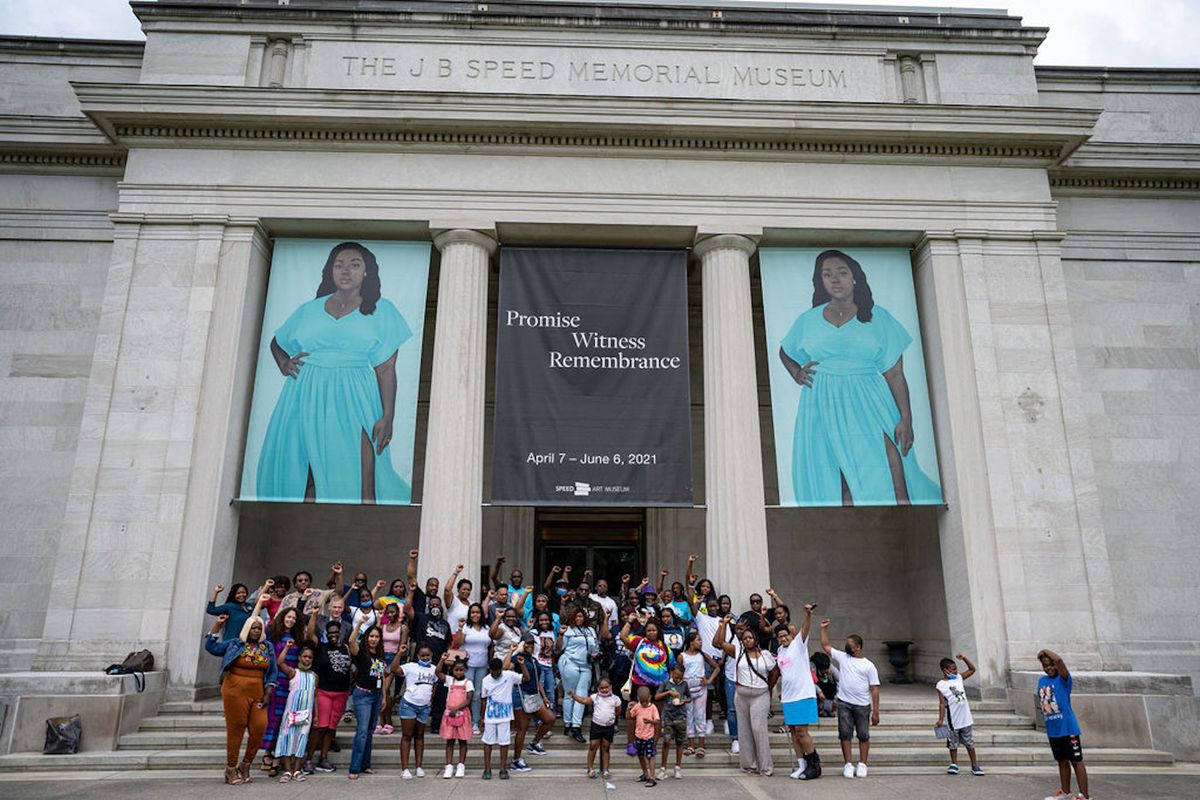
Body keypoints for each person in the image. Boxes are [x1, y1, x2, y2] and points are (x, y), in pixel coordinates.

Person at [778, 248, 941, 506]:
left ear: (855, 277)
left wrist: (906, 419)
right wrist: (797, 372)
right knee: (840, 479)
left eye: (842, 273)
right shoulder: (807, 320)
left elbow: (895, 373)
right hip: (823, 403)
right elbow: (784, 351)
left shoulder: (879, 317)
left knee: (894, 471)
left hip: (870, 399)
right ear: (820, 281)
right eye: (827, 274)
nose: (835, 279)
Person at [255, 241, 414, 504]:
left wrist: (388, 415)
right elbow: (277, 342)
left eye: (354, 265)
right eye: (338, 265)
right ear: (330, 271)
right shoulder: (309, 309)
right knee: (307, 472)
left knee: (365, 474)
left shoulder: (382, 310)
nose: (345, 271)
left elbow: (386, 369)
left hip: (356, 394)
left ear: (366, 271)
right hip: (305, 394)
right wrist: (285, 364)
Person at [203, 591, 277, 785]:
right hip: (234, 689)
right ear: (246, 629)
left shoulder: (267, 647)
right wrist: (217, 625)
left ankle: (246, 764)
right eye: (252, 628)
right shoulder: (236, 644)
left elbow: (273, 672)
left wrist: (269, 691)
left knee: (260, 728)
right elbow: (212, 647)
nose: (255, 631)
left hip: (258, 692)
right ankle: (230, 769)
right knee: (235, 729)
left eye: (258, 628)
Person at [768, 590, 821, 780]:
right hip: (789, 696)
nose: (783, 639)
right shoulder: (781, 652)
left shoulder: (798, 645)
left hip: (803, 695)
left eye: (786, 636)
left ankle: (814, 765)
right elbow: (783, 674)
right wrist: (781, 691)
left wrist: (808, 614)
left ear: (791, 635)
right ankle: (801, 765)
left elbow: (805, 629)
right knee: (792, 732)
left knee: (801, 731)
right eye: (780, 637)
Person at [716, 614, 778, 776]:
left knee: (759, 729)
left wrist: (768, 689)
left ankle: (765, 767)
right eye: (745, 638)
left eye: (750, 637)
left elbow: (774, 673)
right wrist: (723, 625)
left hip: (760, 694)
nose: (747, 640)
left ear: (756, 639)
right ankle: (748, 765)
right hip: (741, 694)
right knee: (744, 731)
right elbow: (721, 643)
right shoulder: (738, 652)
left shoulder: (766, 655)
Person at [820, 618, 880, 779]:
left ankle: (862, 764)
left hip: (862, 705)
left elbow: (874, 689)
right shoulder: (843, 657)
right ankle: (848, 764)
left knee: (863, 735)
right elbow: (826, 646)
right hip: (844, 703)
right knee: (845, 734)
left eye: (850, 644)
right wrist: (824, 629)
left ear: (858, 647)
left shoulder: (869, 665)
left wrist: (876, 711)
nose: (847, 646)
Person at [1037, 648, 1089, 800]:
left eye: (1051, 665)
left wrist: (1045, 651)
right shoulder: (1042, 681)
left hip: (1068, 728)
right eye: (1045, 666)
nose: (1049, 668)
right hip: (1054, 730)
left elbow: (1059, 661)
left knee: (1076, 761)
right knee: (1062, 761)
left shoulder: (1063, 679)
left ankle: (1084, 796)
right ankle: (1065, 793)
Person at [304, 613, 352, 774]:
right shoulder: (321, 648)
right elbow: (310, 633)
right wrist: (314, 614)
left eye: (335, 632)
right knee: (320, 727)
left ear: (340, 633)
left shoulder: (345, 648)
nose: (333, 635)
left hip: (342, 693)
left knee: (331, 728)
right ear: (326, 633)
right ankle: (308, 760)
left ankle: (323, 759)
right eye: (330, 633)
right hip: (324, 692)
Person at [262, 606, 306, 774]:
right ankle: (268, 752)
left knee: (285, 720)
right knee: (273, 718)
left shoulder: (297, 637)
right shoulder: (273, 634)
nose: (291, 620)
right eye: (289, 617)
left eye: (294, 618)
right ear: (282, 617)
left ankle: (278, 756)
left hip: (291, 682)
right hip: (275, 680)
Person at [621, 612, 672, 755]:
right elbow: (623, 637)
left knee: (656, 717)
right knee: (631, 713)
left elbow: (671, 666)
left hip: (659, 686)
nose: (651, 633)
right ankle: (630, 744)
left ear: (658, 631)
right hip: (639, 683)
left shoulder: (665, 647)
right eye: (648, 630)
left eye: (654, 630)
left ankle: (653, 746)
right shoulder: (639, 642)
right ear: (645, 631)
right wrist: (630, 621)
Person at [343, 618, 385, 778]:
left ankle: (365, 765)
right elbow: (351, 640)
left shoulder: (380, 655)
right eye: (371, 636)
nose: (373, 639)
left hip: (377, 694)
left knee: (369, 731)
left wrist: (384, 697)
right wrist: (360, 624)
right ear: (367, 637)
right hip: (362, 695)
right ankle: (354, 768)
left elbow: (380, 677)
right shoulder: (360, 652)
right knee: (361, 731)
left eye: (376, 637)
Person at [272, 640, 317, 783]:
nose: (307, 659)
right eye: (304, 656)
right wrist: (286, 648)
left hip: (306, 714)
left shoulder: (314, 676)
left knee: (301, 740)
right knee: (287, 739)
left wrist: (315, 715)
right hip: (291, 713)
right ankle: (287, 770)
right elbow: (280, 662)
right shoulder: (293, 672)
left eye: (310, 657)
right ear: (299, 657)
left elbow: (314, 696)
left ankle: (297, 769)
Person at [480, 643, 523, 780]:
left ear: (501, 669)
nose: (496, 673)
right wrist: (482, 718)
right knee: (488, 742)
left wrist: (521, 664)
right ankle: (487, 769)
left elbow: (525, 678)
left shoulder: (509, 675)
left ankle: (503, 769)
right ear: (490, 670)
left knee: (504, 743)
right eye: (493, 671)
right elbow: (484, 699)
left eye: (498, 671)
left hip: (505, 717)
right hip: (490, 716)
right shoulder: (485, 680)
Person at [396, 642, 439, 779]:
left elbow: (435, 684)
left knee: (420, 736)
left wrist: (431, 699)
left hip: (424, 707)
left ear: (431, 655)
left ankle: (419, 766)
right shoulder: (410, 667)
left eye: (428, 655)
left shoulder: (434, 669)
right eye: (422, 655)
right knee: (407, 736)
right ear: (418, 656)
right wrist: (399, 653)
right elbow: (394, 669)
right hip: (409, 704)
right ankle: (405, 769)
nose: (425, 658)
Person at [512, 632, 555, 770]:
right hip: (522, 694)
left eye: (531, 643)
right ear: (522, 644)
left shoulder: (534, 659)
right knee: (522, 729)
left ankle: (534, 743)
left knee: (550, 718)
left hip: (534, 695)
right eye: (527, 643)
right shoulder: (516, 658)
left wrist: (544, 696)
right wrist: (511, 652)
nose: (530, 646)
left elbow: (537, 681)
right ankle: (516, 760)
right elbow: (506, 669)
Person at [936, 653, 983, 776]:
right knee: (953, 743)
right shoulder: (941, 685)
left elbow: (972, 669)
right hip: (953, 720)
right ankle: (954, 763)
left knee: (969, 742)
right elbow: (942, 703)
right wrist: (940, 719)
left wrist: (965, 658)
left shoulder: (959, 678)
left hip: (965, 718)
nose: (956, 671)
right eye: (953, 669)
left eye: (956, 668)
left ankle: (974, 764)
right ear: (945, 670)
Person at [558, 607, 599, 743]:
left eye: (581, 616)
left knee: (581, 696)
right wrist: (560, 634)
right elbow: (559, 648)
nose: (578, 619)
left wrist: (595, 654)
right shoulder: (568, 630)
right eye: (576, 616)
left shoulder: (591, 631)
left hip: (586, 665)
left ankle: (576, 726)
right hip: (570, 663)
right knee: (570, 694)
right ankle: (567, 723)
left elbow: (595, 647)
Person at [454, 603, 491, 734]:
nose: (475, 615)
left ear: (481, 614)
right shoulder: (466, 627)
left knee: (477, 694)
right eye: (473, 612)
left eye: (478, 612)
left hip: (482, 665)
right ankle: (461, 721)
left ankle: (475, 722)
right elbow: (458, 643)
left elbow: (490, 645)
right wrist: (460, 628)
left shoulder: (486, 628)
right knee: (465, 693)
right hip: (468, 665)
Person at [680, 630, 716, 758]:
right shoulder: (682, 656)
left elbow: (716, 667)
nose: (700, 642)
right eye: (698, 640)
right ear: (691, 642)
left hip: (701, 688)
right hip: (687, 689)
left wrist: (709, 680)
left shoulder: (703, 655)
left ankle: (701, 746)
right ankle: (691, 745)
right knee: (689, 716)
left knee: (700, 715)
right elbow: (677, 672)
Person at [438, 652, 473, 779]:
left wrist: (457, 708)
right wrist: (442, 660)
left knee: (463, 741)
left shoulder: (468, 683)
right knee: (450, 741)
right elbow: (438, 673)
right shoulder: (449, 680)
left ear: (465, 670)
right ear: (452, 670)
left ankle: (461, 765)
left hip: (462, 715)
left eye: (461, 670)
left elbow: (469, 699)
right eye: (456, 670)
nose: (458, 672)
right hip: (450, 716)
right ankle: (448, 765)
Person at [655, 661, 691, 780]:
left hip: (681, 716)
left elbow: (689, 698)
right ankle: (663, 768)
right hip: (668, 716)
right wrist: (669, 692)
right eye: (676, 677)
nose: (678, 679)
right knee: (666, 741)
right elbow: (656, 697)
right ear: (671, 673)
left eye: (680, 677)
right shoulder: (666, 683)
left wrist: (683, 701)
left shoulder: (684, 684)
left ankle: (677, 767)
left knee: (680, 742)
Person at [376, 601, 408, 734]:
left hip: (394, 659)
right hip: (380, 659)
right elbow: (376, 639)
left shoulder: (403, 627)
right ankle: (382, 722)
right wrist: (379, 619)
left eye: (392, 612)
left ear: (398, 613)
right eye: (387, 612)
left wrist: (392, 665)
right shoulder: (383, 626)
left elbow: (403, 647)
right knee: (381, 691)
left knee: (385, 689)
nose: (390, 614)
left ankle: (387, 722)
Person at [628, 684, 661, 786]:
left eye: (646, 701)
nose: (644, 704)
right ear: (638, 698)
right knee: (640, 755)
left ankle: (652, 777)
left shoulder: (653, 708)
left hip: (649, 736)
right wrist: (629, 708)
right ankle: (645, 773)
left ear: (650, 697)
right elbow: (631, 716)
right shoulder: (638, 706)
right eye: (642, 702)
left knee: (650, 756)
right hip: (639, 736)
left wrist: (650, 721)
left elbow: (657, 721)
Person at [812, 651, 838, 717]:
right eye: (824, 671)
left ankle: (830, 709)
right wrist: (819, 692)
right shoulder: (812, 668)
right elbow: (809, 682)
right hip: (817, 693)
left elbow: (841, 682)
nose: (826, 672)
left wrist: (835, 700)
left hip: (829, 693)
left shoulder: (830, 667)